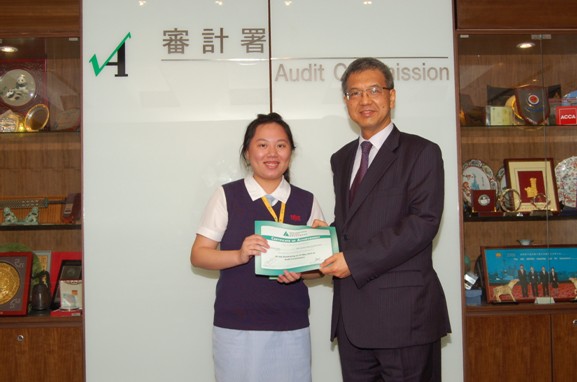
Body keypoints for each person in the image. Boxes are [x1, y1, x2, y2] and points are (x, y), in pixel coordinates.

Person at [319, 57, 451, 382]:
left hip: (403, 318)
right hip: (353, 320)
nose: (365, 100)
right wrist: (324, 240)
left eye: (374, 90)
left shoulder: (421, 152)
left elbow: (422, 223)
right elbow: (351, 226)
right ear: (346, 102)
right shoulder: (342, 158)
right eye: (354, 93)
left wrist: (353, 259)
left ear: (391, 97)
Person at [190, 112, 324, 382]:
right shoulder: (227, 196)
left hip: (291, 325)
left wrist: (301, 272)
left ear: (291, 153)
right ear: (247, 153)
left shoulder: (306, 201)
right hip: (237, 326)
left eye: (281, 145)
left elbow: (321, 267)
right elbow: (198, 255)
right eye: (262, 145)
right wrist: (239, 255)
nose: (272, 153)